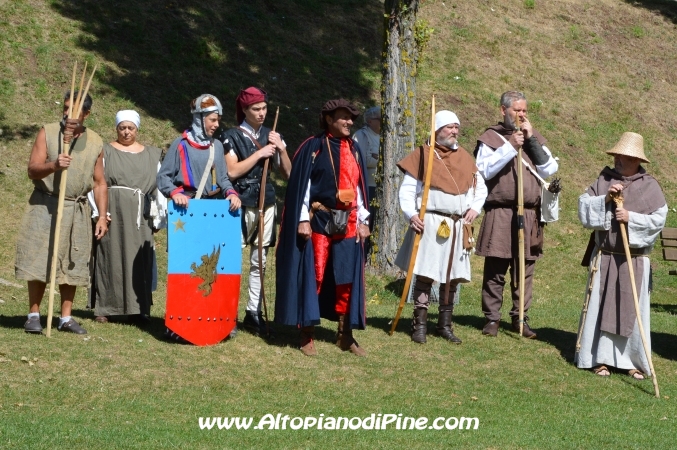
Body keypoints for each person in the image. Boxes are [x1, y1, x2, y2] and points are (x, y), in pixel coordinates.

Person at [275, 99, 370, 357]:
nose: (350, 122)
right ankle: (307, 333)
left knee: (346, 279)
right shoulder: (313, 146)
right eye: (344, 118)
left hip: (349, 222)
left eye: (352, 118)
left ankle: (344, 334)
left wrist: (363, 220)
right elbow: (302, 184)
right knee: (315, 274)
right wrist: (302, 218)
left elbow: (360, 188)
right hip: (319, 219)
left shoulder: (355, 149)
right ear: (329, 119)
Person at [16, 91, 108, 335]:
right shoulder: (48, 132)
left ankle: (65, 318)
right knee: (39, 258)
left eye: (74, 110)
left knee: (73, 261)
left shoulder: (96, 141)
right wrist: (53, 165)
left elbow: (99, 183)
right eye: (65, 108)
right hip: (45, 204)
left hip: (76, 208)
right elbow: (32, 170)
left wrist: (101, 216)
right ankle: (34, 315)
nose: (67, 114)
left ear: (86, 114)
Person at [575, 132, 666, 380]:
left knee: (633, 311)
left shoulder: (650, 186)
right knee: (600, 306)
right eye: (615, 154)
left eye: (622, 156)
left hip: (634, 260)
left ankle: (631, 360)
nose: (616, 159)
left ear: (635, 159)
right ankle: (599, 358)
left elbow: (658, 220)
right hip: (605, 256)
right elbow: (583, 206)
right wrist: (605, 198)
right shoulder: (605, 179)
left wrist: (630, 218)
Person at [394, 110, 487, 344]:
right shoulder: (423, 155)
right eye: (449, 127)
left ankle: (445, 326)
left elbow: (480, 188)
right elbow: (407, 190)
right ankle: (420, 325)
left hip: (457, 224)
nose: (455, 131)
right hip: (431, 222)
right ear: (437, 130)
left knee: (452, 277)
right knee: (426, 274)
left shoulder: (465, 157)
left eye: (457, 127)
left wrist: (475, 208)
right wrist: (411, 214)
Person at [474, 91, 559, 338]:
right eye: (517, 110)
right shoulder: (490, 137)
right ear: (503, 110)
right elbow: (484, 171)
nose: (522, 115)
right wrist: (510, 147)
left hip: (529, 213)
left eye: (524, 110)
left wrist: (530, 140)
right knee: (496, 268)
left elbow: (550, 168)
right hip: (501, 211)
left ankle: (520, 317)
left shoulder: (532, 137)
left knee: (525, 269)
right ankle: (492, 319)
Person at [157, 94, 241, 342]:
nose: (216, 124)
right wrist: (175, 192)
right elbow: (163, 177)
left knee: (212, 269)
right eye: (212, 119)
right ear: (200, 118)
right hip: (187, 214)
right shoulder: (180, 144)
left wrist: (232, 193)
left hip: (210, 215)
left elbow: (224, 179)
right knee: (185, 268)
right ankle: (179, 323)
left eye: (217, 120)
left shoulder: (216, 146)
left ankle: (218, 320)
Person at [217, 87, 291, 336]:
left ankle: (252, 312)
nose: (261, 113)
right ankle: (227, 313)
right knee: (231, 261)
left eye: (264, 108)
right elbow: (232, 172)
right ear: (245, 110)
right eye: (256, 109)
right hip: (237, 202)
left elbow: (288, 174)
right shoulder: (230, 136)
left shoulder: (272, 135)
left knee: (260, 261)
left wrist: (280, 148)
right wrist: (260, 153)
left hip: (266, 203)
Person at [89, 110, 163, 323]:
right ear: (117, 128)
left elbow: (160, 189)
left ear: (137, 129)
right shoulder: (105, 151)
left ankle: (139, 308)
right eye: (122, 128)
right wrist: (99, 212)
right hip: (113, 210)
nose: (127, 132)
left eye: (131, 128)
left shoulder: (151, 155)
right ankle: (106, 307)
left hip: (140, 214)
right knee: (109, 255)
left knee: (139, 259)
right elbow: (95, 182)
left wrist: (158, 217)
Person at [351, 106, 380, 227]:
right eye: (380, 119)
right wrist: (380, 160)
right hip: (367, 187)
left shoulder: (385, 137)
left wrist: (375, 156)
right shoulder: (361, 135)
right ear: (370, 121)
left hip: (381, 186)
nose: (383, 122)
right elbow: (361, 161)